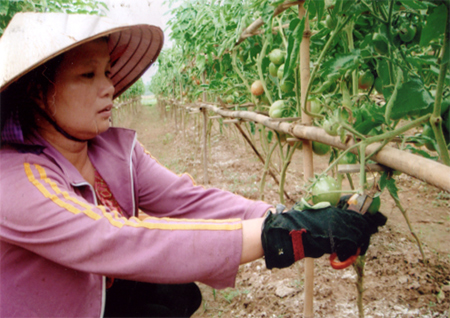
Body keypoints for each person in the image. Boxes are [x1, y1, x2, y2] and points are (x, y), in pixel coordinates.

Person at [0, 12, 385, 318]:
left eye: (106, 72)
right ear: (38, 92)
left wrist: (294, 217)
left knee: (172, 294)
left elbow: (189, 201)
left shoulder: (108, 151)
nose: (109, 87)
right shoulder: (15, 181)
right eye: (88, 75)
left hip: (99, 296)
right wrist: (286, 235)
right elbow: (120, 238)